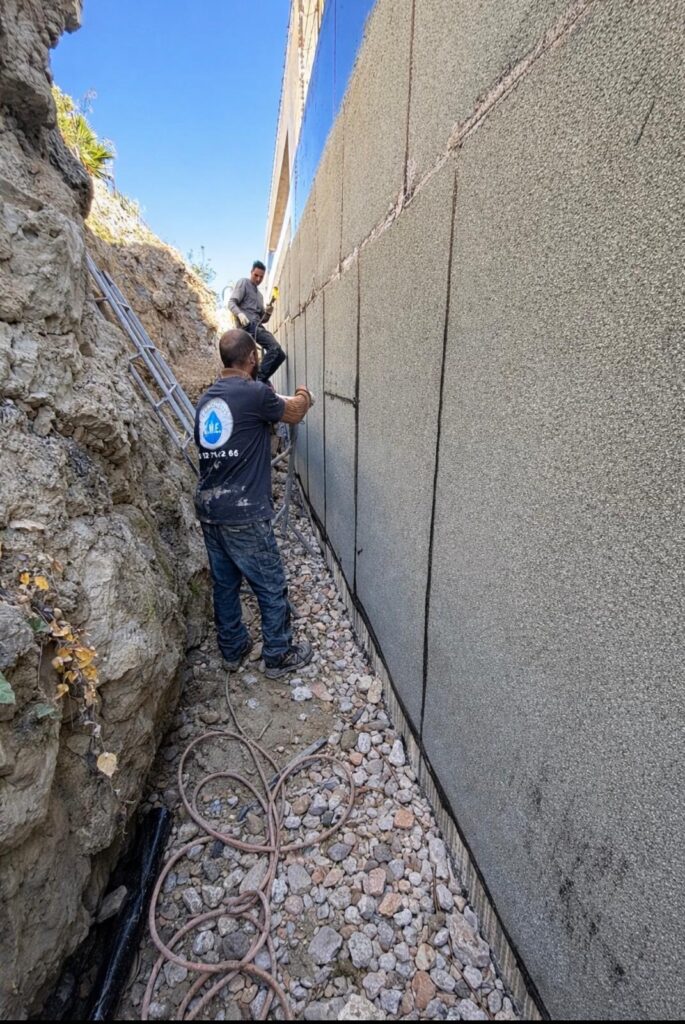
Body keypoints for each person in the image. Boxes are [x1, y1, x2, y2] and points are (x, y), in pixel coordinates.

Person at [194, 328, 313, 678]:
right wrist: (304, 393)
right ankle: (278, 654)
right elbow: (294, 412)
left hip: (210, 509)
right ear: (252, 357)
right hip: (243, 511)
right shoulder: (255, 393)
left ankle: (233, 650)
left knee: (225, 584)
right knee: (270, 583)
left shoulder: (206, 401)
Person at [228, 260, 286, 383]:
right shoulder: (244, 283)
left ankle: (261, 380)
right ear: (251, 272)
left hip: (257, 327)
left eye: (261, 277)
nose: (258, 279)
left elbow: (262, 319)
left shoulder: (260, 296)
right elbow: (231, 303)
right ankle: (258, 381)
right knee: (274, 347)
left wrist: (268, 312)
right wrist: (240, 314)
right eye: (256, 275)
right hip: (247, 326)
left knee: (280, 355)